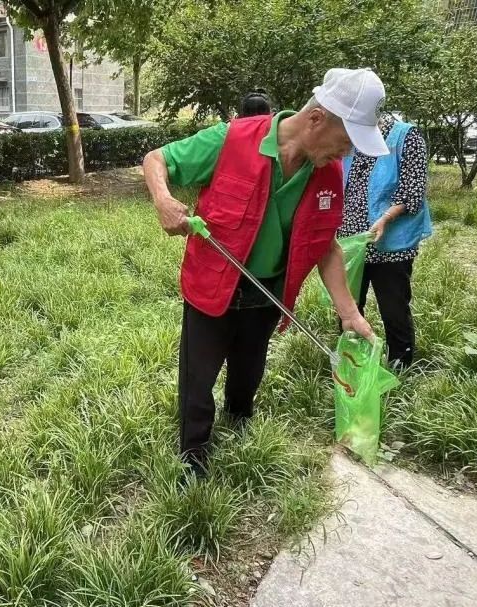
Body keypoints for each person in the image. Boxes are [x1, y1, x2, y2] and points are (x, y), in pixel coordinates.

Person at [142, 68, 389, 477]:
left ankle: (240, 429)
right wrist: (163, 200)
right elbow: (156, 160)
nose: (345, 155)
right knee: (198, 379)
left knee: (249, 371)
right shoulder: (232, 139)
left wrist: (349, 312)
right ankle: (194, 458)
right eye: (345, 142)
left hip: (267, 293)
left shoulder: (326, 173)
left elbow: (325, 245)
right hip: (213, 285)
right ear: (316, 119)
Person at [338, 113, 432, 370]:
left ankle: (400, 362)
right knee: (349, 304)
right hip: (351, 239)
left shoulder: (405, 135)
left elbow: (413, 190)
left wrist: (386, 218)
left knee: (393, 305)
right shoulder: (349, 134)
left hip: (390, 242)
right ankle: (352, 362)